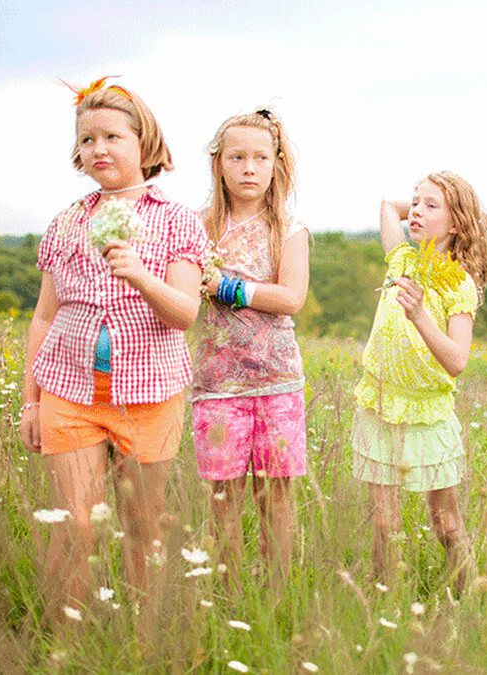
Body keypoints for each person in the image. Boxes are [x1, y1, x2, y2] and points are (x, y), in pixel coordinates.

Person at [19, 78, 205, 621]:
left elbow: (185, 313)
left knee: (142, 527)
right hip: (70, 392)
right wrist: (30, 401)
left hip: (148, 396)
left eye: (112, 137)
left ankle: (145, 640)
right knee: (75, 525)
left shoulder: (175, 220)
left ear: (144, 143)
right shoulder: (68, 221)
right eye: (87, 140)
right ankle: (62, 644)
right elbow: (45, 316)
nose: (98, 149)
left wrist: (140, 274)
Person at [353, 172, 487, 594]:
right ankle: (382, 604)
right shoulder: (403, 259)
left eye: (430, 206)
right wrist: (424, 208)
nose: (416, 211)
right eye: (416, 203)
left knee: (445, 522)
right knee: (385, 524)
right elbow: (388, 205)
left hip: (427, 414)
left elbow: (457, 360)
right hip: (380, 406)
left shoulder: (458, 283)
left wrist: (420, 315)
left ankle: (472, 597)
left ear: (456, 223)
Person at [192, 109, 308, 592]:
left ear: (276, 164)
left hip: (277, 381)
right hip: (217, 384)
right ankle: (230, 597)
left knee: (275, 498)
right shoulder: (197, 226)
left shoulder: (289, 227)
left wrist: (227, 287)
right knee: (223, 500)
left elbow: (291, 297)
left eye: (261, 157)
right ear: (219, 163)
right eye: (237, 157)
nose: (249, 168)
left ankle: (278, 596)